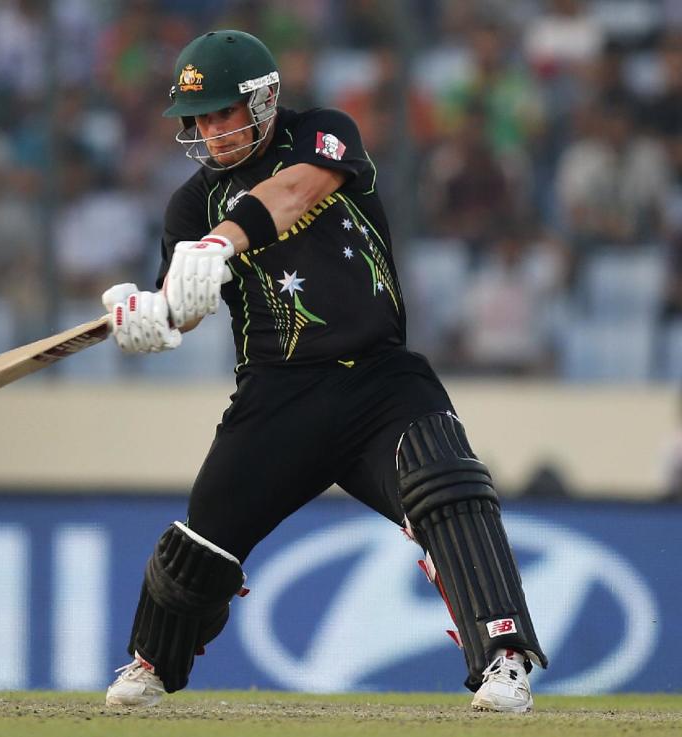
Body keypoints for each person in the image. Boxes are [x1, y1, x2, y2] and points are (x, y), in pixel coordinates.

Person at [101, 30, 547, 713]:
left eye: (225, 112)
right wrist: (147, 316)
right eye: (202, 118)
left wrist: (222, 241)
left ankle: (505, 660)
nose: (212, 131)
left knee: (447, 484)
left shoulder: (321, 135)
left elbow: (293, 192)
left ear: (265, 100)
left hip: (380, 379)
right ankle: (150, 662)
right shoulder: (189, 206)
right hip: (277, 393)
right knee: (199, 544)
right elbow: (182, 308)